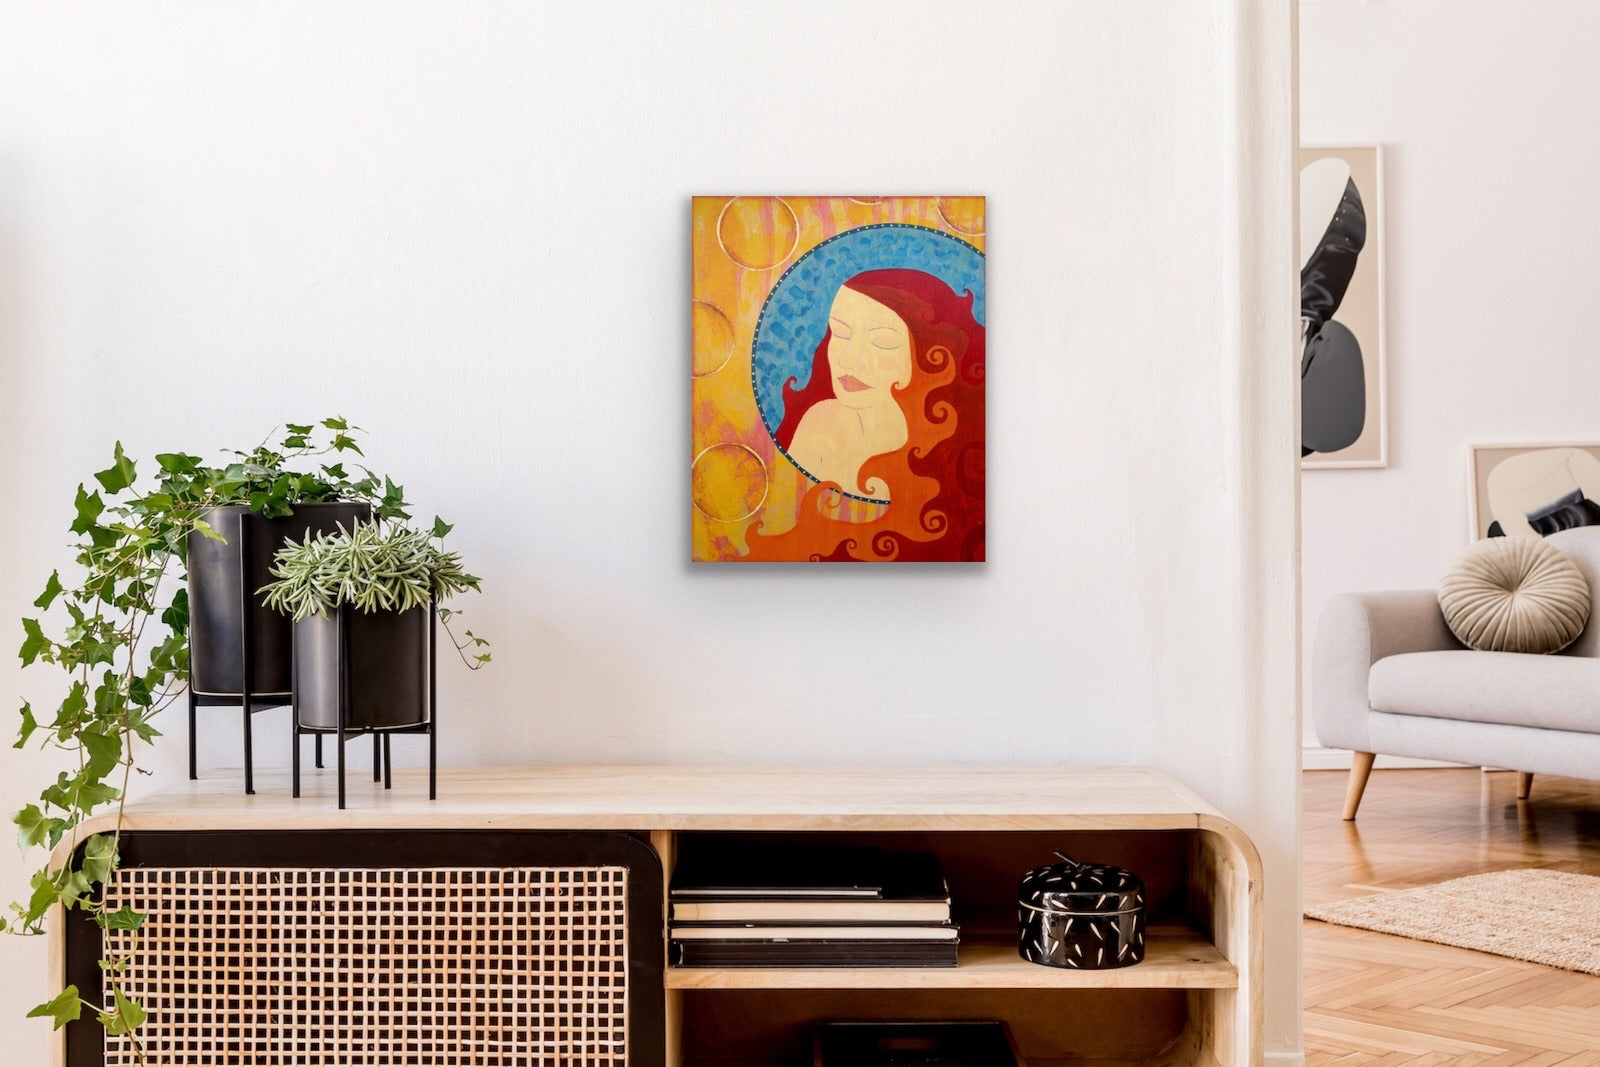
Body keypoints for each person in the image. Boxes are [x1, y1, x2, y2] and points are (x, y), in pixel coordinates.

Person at [745, 268, 985, 562]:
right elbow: (780, 527)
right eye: (840, 333)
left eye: (882, 341)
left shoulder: (955, 450)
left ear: (932, 353)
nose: (848, 359)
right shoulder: (822, 424)